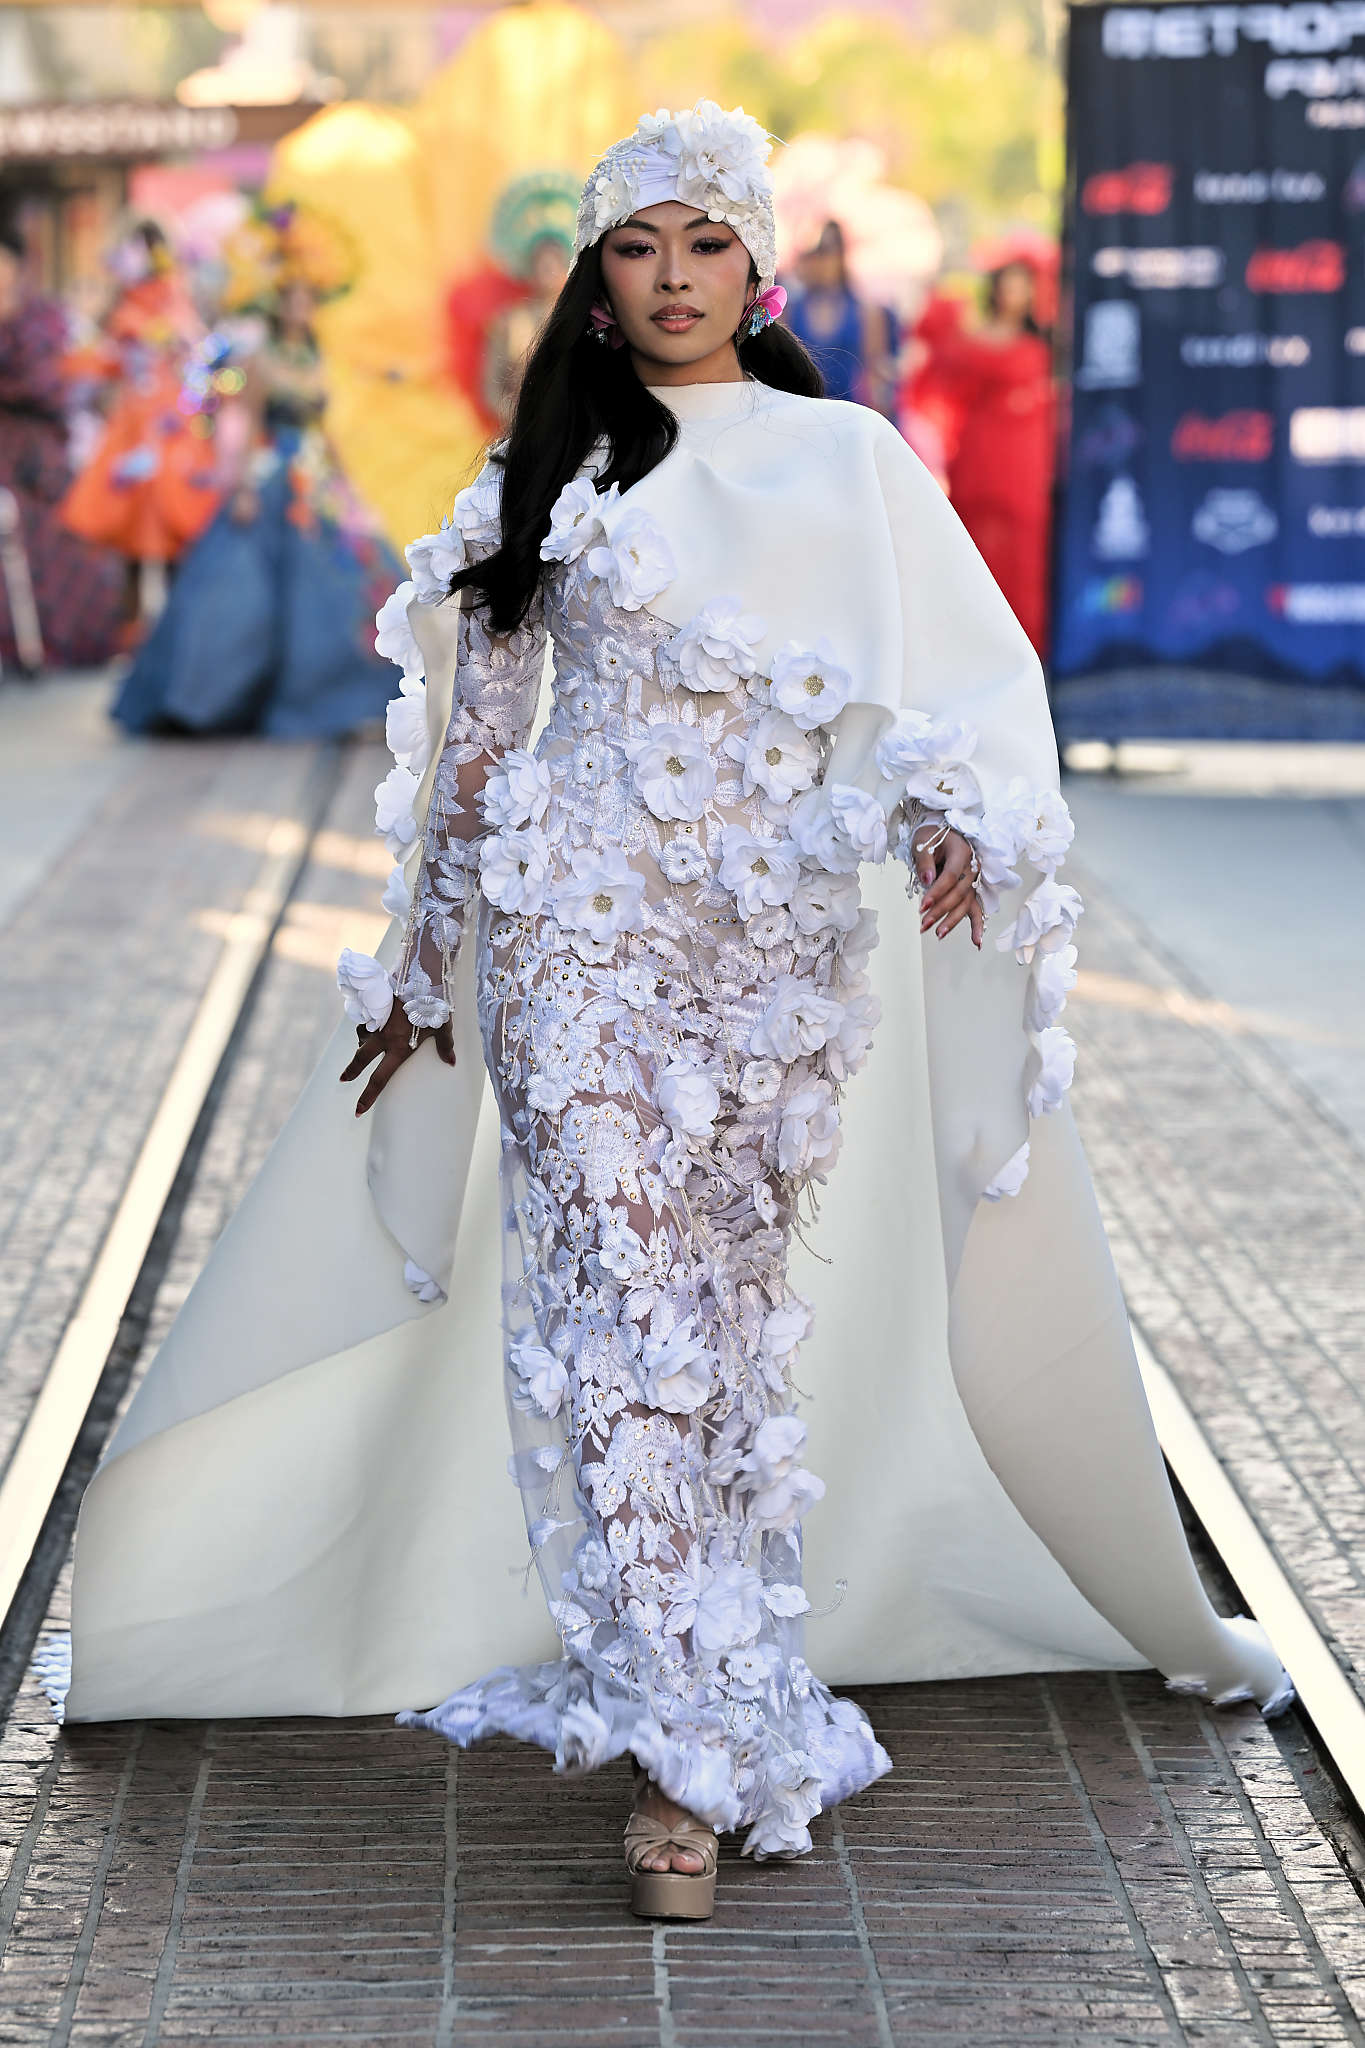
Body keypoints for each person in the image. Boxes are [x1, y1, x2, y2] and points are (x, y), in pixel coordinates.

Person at [52, 105, 1292, 1928]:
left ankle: (714, 1662)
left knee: (717, 1333)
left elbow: (945, 691)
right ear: (597, 277)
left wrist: (945, 822)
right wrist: (425, 964)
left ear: (759, 264)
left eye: (707, 242)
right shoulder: (552, 467)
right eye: (639, 246)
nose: (675, 278)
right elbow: (481, 747)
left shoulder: (846, 461)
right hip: (572, 951)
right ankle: (682, 1751)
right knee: (616, 1319)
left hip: (770, 966)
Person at [110, 203, 402, 739]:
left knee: (357, 573)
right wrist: (244, 486)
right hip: (277, 476)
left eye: (307, 298)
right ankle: (221, 696)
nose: (299, 307)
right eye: (290, 297)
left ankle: (353, 694)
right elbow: (244, 427)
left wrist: (348, 485)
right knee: (248, 590)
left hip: (317, 478)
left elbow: (323, 429)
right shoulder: (261, 360)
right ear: (275, 302)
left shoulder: (313, 359)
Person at [59, 220, 221, 630]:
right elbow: (104, 361)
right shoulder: (126, 309)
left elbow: (198, 359)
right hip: (135, 427)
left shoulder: (176, 305)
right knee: (131, 538)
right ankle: (130, 630)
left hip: (173, 426)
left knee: (176, 531)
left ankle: (174, 633)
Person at [909, 257, 1056, 657]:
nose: (1015, 294)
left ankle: (1025, 649)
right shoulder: (970, 341)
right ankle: (973, 645)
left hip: (1026, 458)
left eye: (1023, 286)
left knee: (1024, 553)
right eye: (1009, 285)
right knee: (975, 547)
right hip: (980, 454)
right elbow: (936, 377)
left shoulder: (1046, 343)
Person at [0, 214, 123, 672]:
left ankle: (60, 640)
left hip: (41, 449)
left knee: (64, 528)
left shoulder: (42, 319)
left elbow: (55, 381)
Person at [783, 218, 895, 411]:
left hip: (850, 416)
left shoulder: (866, 313)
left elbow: (876, 378)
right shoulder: (788, 310)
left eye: (828, 250)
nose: (821, 261)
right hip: (803, 416)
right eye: (813, 252)